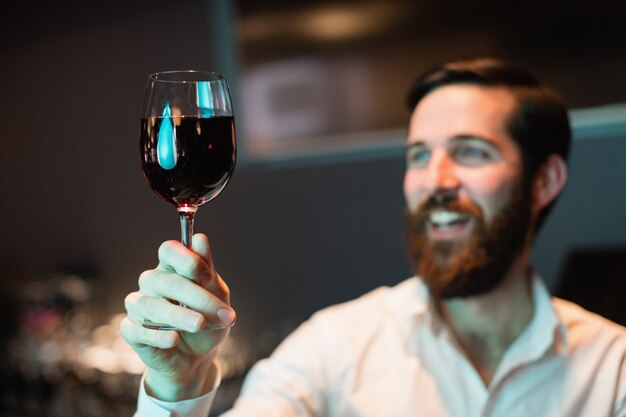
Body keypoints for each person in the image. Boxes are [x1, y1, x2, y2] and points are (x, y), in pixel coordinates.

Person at [121, 58, 626, 417]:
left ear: (545, 181)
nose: (435, 180)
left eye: (471, 152)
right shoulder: (333, 348)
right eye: (420, 155)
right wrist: (178, 386)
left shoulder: (613, 370)